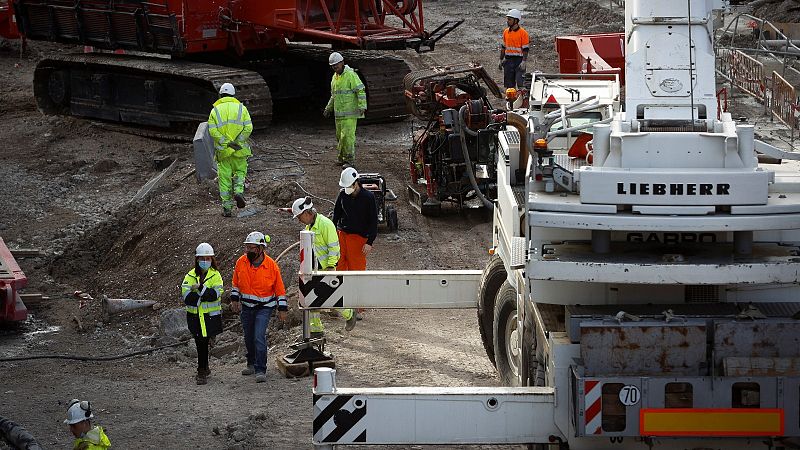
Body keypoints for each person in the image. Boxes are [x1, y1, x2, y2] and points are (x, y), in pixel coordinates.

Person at [292, 197, 357, 335]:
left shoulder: (325, 224)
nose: (299, 220)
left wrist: (331, 266)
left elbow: (334, 247)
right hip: (315, 268)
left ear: (306, 213)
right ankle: (316, 329)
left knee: (330, 297)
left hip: (328, 267)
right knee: (312, 297)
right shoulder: (309, 227)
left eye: (299, 217)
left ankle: (349, 313)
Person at [230, 231, 287, 383]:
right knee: (249, 337)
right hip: (247, 307)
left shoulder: (271, 266)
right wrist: (234, 300)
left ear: (261, 248)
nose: (248, 251)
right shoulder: (241, 262)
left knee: (258, 336)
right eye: (247, 248)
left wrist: (282, 309)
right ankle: (251, 363)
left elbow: (280, 290)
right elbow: (236, 283)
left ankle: (260, 368)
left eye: (252, 248)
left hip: (265, 307)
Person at [333, 168, 377, 320]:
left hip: (359, 239)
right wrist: (333, 235)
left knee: (357, 271)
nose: (348, 190)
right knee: (338, 267)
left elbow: (373, 222)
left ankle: (357, 307)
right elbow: (336, 214)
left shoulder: (368, 198)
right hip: (342, 235)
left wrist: (369, 242)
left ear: (356, 183)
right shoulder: (342, 194)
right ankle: (339, 303)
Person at [181, 242, 224, 385]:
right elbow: (187, 298)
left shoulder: (216, 275)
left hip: (209, 318)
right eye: (202, 259)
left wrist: (200, 288)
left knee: (203, 342)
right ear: (197, 259)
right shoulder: (189, 276)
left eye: (208, 259)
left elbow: (215, 294)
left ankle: (202, 370)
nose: (205, 262)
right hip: (194, 317)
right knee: (200, 342)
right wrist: (204, 292)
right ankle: (203, 368)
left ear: (212, 259)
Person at [208, 82, 253, 217]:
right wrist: (237, 141)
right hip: (239, 150)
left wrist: (226, 143)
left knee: (225, 180)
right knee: (240, 172)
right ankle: (239, 191)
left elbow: (213, 131)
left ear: (220, 94)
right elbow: (248, 128)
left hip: (224, 152)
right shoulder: (241, 109)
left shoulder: (215, 111)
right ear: (234, 95)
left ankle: (227, 209)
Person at [323, 52, 367, 167]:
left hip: (350, 114)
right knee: (340, 138)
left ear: (342, 63)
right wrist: (328, 108)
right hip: (339, 115)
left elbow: (360, 91)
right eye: (333, 66)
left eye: (336, 66)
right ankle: (342, 158)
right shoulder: (335, 77)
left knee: (347, 138)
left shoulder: (351, 75)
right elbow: (334, 95)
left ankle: (349, 161)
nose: (334, 68)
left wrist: (362, 106)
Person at [498, 9, 530, 90]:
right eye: (507, 19)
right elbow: (503, 47)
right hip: (508, 61)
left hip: (518, 61)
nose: (507, 21)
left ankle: (521, 101)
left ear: (516, 20)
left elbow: (525, 49)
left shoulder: (523, 33)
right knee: (509, 86)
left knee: (521, 85)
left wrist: (524, 61)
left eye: (509, 19)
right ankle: (511, 102)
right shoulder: (505, 32)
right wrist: (500, 59)